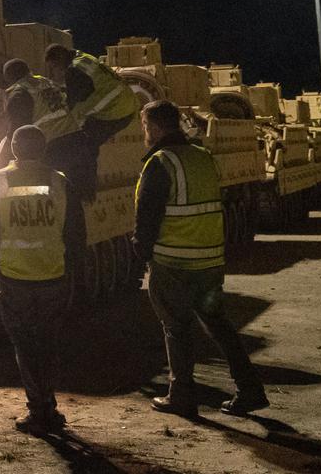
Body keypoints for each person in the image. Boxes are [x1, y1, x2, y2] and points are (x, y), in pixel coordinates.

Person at [133, 100, 268, 418]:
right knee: (219, 325)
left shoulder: (160, 162)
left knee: (176, 328)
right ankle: (250, 390)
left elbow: (147, 218)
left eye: (145, 128)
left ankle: (180, 395)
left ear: (153, 127)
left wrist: (142, 252)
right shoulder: (203, 157)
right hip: (209, 262)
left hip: (173, 263)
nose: (145, 134)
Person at [0, 124, 86, 435]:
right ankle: (48, 406)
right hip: (52, 275)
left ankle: (37, 408)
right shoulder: (59, 181)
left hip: (13, 277)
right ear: (43, 149)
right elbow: (76, 231)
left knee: (25, 345)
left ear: (13, 148)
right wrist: (71, 266)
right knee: (48, 343)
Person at [41, 44, 139, 198]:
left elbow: (72, 105)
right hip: (126, 103)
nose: (55, 71)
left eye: (54, 67)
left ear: (60, 58)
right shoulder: (82, 57)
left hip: (116, 111)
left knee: (84, 143)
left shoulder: (74, 71)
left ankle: (85, 193)